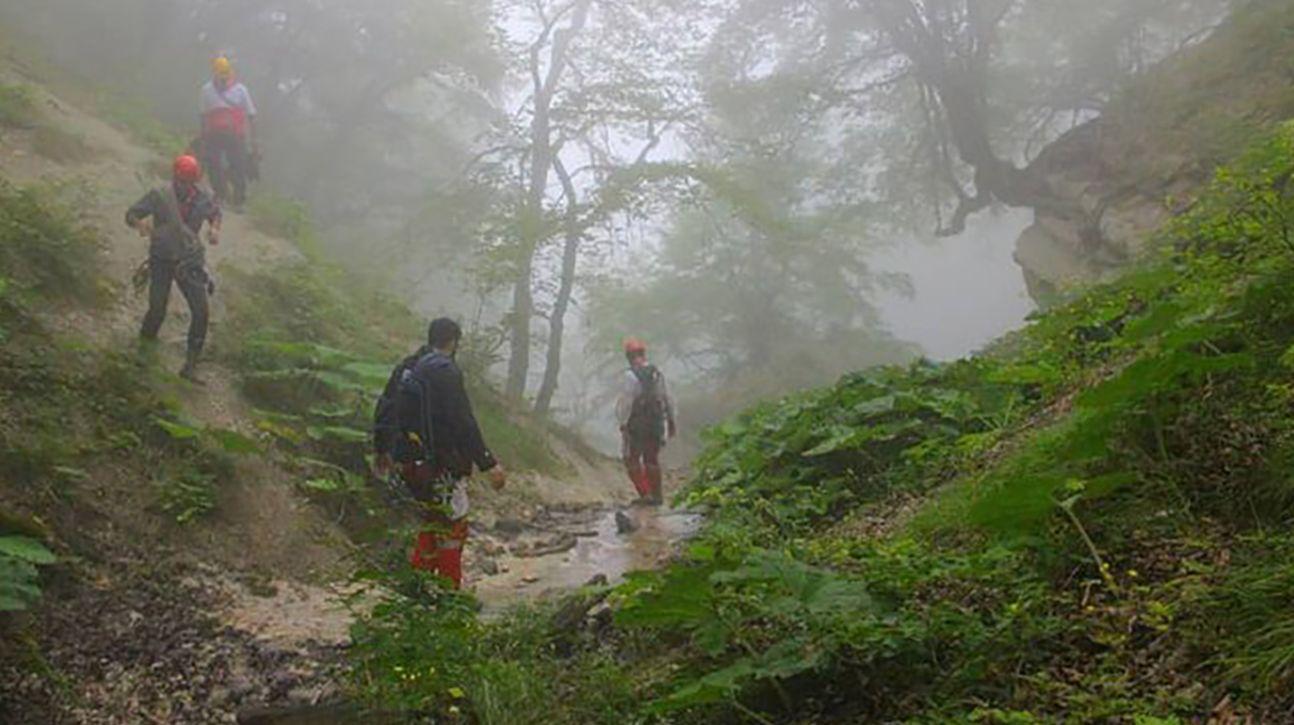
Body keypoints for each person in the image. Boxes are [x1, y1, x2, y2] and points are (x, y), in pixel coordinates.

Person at [373, 318, 507, 589]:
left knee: (431, 521)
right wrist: (488, 463)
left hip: (409, 462)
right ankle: (449, 595)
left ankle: (419, 590)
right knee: (453, 526)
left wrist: (382, 448)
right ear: (454, 341)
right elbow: (462, 420)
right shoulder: (445, 370)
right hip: (441, 464)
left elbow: (386, 405)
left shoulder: (408, 367)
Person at [126, 154, 221, 382]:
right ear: (175, 177)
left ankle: (190, 365)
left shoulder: (203, 198)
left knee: (201, 311)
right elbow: (131, 214)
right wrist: (140, 224)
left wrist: (214, 228)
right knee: (157, 308)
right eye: (182, 180)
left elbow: (215, 213)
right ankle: (143, 353)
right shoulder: (160, 195)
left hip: (189, 260)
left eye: (190, 181)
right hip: (161, 258)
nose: (185, 185)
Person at [615, 338, 676, 505]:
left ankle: (645, 493)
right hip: (656, 421)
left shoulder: (629, 375)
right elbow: (667, 397)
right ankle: (657, 496)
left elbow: (626, 401)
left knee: (631, 459)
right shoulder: (656, 373)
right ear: (643, 353)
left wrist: (622, 423)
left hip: (636, 423)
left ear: (628, 356)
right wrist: (671, 420)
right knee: (652, 459)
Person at [199, 56, 257, 209]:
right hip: (214, 134)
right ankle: (220, 195)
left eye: (226, 76)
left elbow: (251, 115)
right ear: (215, 74)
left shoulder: (241, 90)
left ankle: (239, 200)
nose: (224, 80)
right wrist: (203, 135)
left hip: (236, 135)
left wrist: (254, 140)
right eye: (221, 77)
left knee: (239, 166)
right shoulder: (207, 90)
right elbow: (203, 114)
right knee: (213, 163)